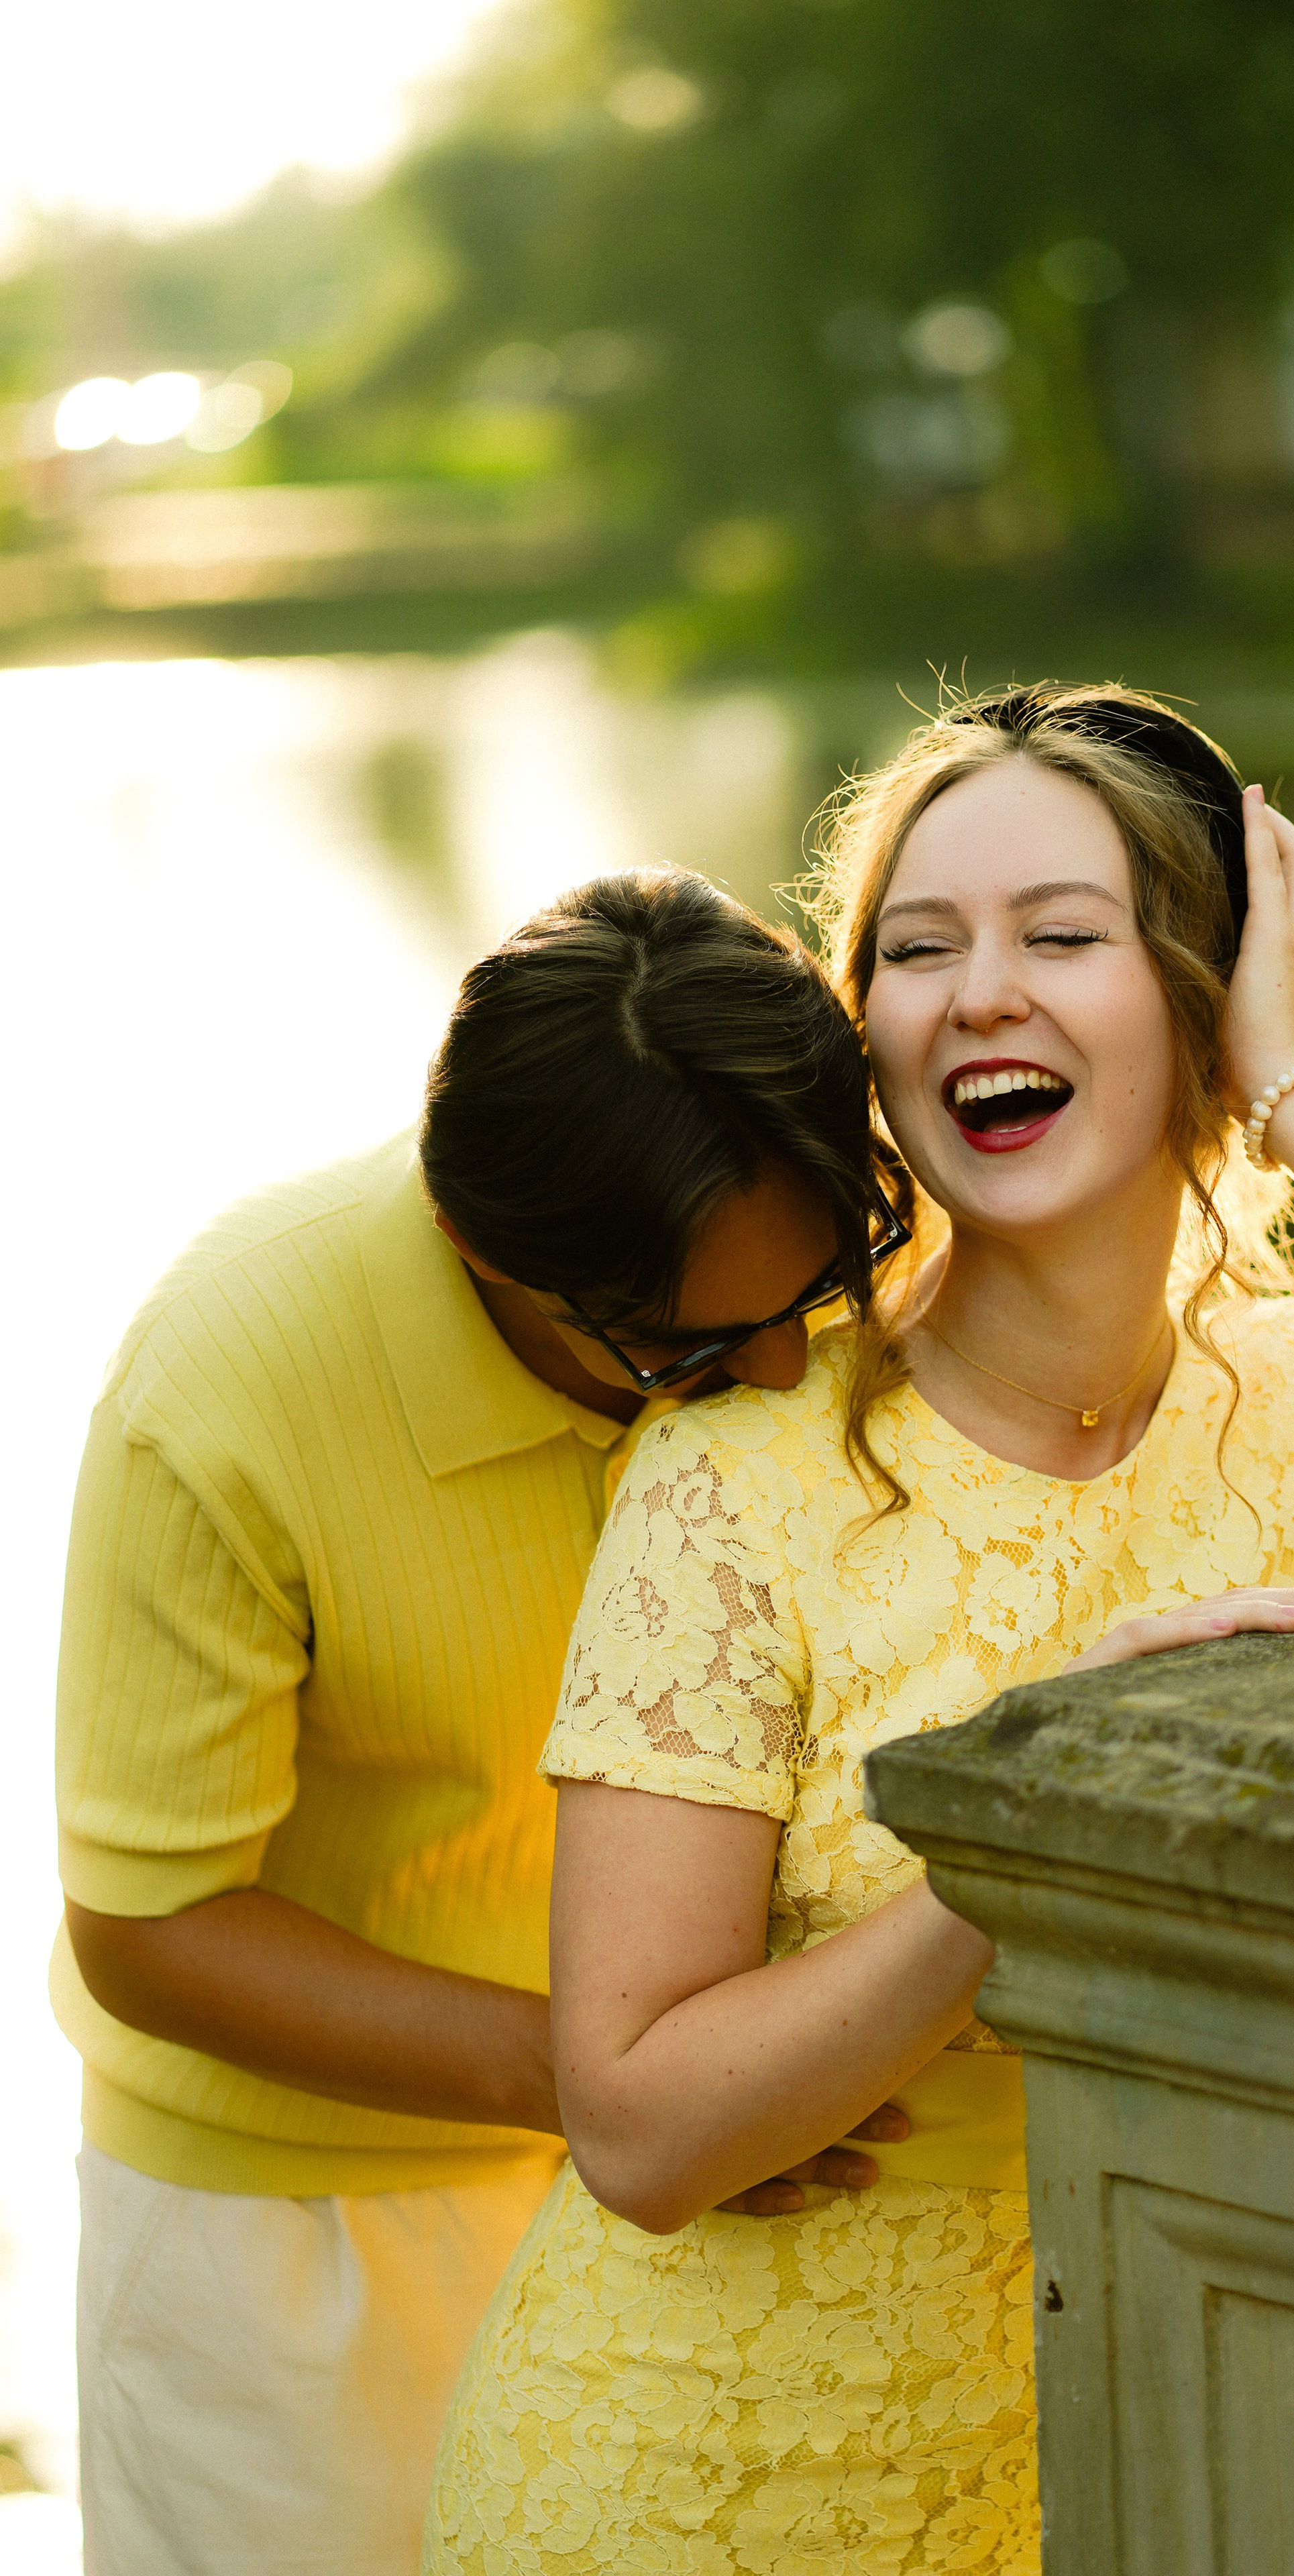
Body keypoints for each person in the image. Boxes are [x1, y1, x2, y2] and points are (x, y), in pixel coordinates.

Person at [423, 684, 1294, 2576]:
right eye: (918, 950)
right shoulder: (740, 1478)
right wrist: (1021, 1830)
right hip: (700, 2493)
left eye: (1063, 935)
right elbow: (637, 2125)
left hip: (1140, 2467)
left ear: (1194, 1004)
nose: (981, 993)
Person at [54, 869, 920, 2576]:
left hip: (696, 2174)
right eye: (686, 1352)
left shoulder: (783, 1296)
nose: (770, 1386)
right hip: (299, 2236)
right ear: (481, 1255)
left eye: (816, 1295)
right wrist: (619, 2090)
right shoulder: (225, 1386)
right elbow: (148, 1931)